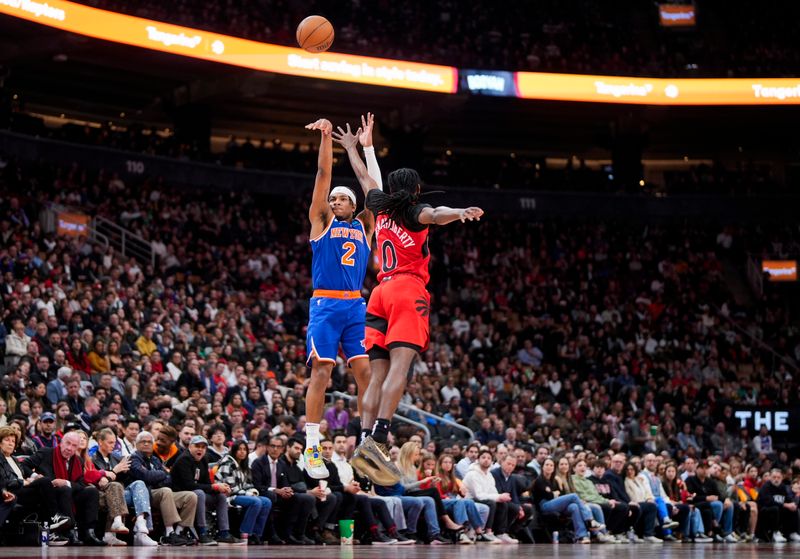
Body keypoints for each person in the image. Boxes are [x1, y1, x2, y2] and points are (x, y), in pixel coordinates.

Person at [335, 120, 484, 485]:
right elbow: (436, 214)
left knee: (375, 377)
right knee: (400, 369)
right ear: (416, 190)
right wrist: (460, 212)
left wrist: (353, 148)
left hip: (379, 293)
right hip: (406, 290)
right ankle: (381, 438)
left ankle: (364, 438)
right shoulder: (415, 212)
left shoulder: (380, 208)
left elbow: (366, 180)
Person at [301, 115, 376, 480]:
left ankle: (365, 443)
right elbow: (322, 176)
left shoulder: (365, 224)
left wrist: (363, 148)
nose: (334, 200)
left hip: (355, 305)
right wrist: (327, 138)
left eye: (340, 198)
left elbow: (374, 189)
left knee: (365, 371)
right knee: (322, 370)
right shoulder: (321, 221)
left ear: (352, 204)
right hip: (326, 304)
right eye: (332, 199)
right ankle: (312, 445)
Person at [22, 430, 104, 545]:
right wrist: (35, 476)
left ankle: (89, 533)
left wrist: (66, 482)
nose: (69, 448)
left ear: (77, 448)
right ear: (61, 442)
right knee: (65, 490)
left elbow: (81, 484)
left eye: (74, 446)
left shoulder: (78, 460)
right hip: (48, 494)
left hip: (68, 493)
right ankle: (69, 532)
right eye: (67, 443)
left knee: (92, 492)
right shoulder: (46, 452)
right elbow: (24, 465)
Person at [171, 435, 245, 545]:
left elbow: (206, 483)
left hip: (195, 493)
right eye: (197, 446)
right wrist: (214, 487)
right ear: (190, 447)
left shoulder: (204, 459)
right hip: (180, 494)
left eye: (203, 447)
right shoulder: (184, 459)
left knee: (220, 496)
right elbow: (188, 485)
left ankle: (224, 533)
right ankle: (202, 533)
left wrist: (220, 488)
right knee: (199, 493)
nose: (200, 449)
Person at [92, 427, 158, 546]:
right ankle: (110, 534)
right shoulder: (93, 458)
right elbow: (100, 482)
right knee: (115, 486)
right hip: (101, 494)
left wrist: (126, 472)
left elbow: (128, 477)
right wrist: (115, 471)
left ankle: (141, 524)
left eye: (114, 442)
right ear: (100, 442)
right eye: (110, 442)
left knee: (139, 483)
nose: (113, 445)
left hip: (120, 491)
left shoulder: (117, 457)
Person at [128, 431, 195, 546]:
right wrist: (160, 474)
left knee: (190, 496)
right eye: (143, 442)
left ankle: (179, 532)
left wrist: (156, 475)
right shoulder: (134, 458)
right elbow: (145, 476)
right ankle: (169, 533)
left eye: (149, 442)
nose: (146, 444)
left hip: (160, 492)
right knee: (166, 491)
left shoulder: (155, 459)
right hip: (145, 494)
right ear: (136, 444)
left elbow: (169, 479)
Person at [215, 440, 273, 545]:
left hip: (241, 494)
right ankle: (245, 534)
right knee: (256, 502)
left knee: (266, 502)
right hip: (228, 497)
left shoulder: (244, 465)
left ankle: (256, 534)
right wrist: (248, 494)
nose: (242, 452)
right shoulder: (227, 462)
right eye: (239, 449)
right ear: (234, 451)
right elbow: (230, 488)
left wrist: (252, 492)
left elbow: (249, 485)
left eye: (244, 449)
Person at [755, 468, 800, 543]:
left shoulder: (782, 487)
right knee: (775, 508)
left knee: (793, 509)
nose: (776, 479)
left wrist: (792, 504)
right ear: (770, 477)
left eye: (778, 477)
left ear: (782, 478)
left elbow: (788, 499)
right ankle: (775, 533)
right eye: (774, 477)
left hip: (779, 510)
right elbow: (769, 502)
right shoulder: (766, 487)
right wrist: (786, 505)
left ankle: (793, 533)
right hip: (765, 512)